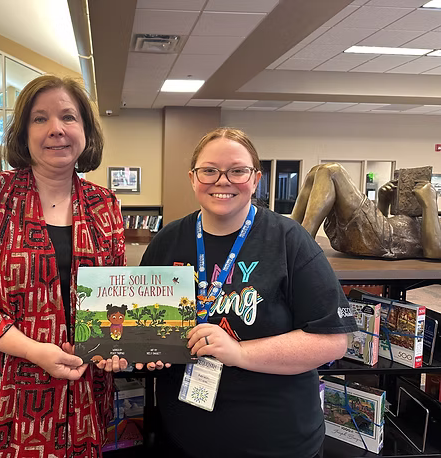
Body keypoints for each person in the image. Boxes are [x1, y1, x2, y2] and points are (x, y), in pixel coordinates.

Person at [0, 75, 127, 458]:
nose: (56, 129)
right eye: (40, 119)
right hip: (6, 392)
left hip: (82, 392)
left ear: (86, 131)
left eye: (68, 117)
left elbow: (114, 295)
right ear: (23, 134)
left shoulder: (104, 204)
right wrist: (33, 350)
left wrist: (120, 345)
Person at [138, 128, 357, 458]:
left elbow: (333, 340)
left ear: (255, 179)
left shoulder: (290, 240)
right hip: (183, 438)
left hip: (277, 442)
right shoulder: (167, 241)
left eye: (237, 170)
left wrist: (239, 352)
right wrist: (140, 351)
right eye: (209, 170)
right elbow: (142, 329)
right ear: (193, 178)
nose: (222, 181)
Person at [291, 163, 441, 259]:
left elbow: (434, 252)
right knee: (315, 172)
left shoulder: (432, 213)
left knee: (331, 171)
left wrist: (430, 203)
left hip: (384, 239)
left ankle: (302, 242)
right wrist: (384, 201)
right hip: (378, 235)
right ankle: (288, 235)